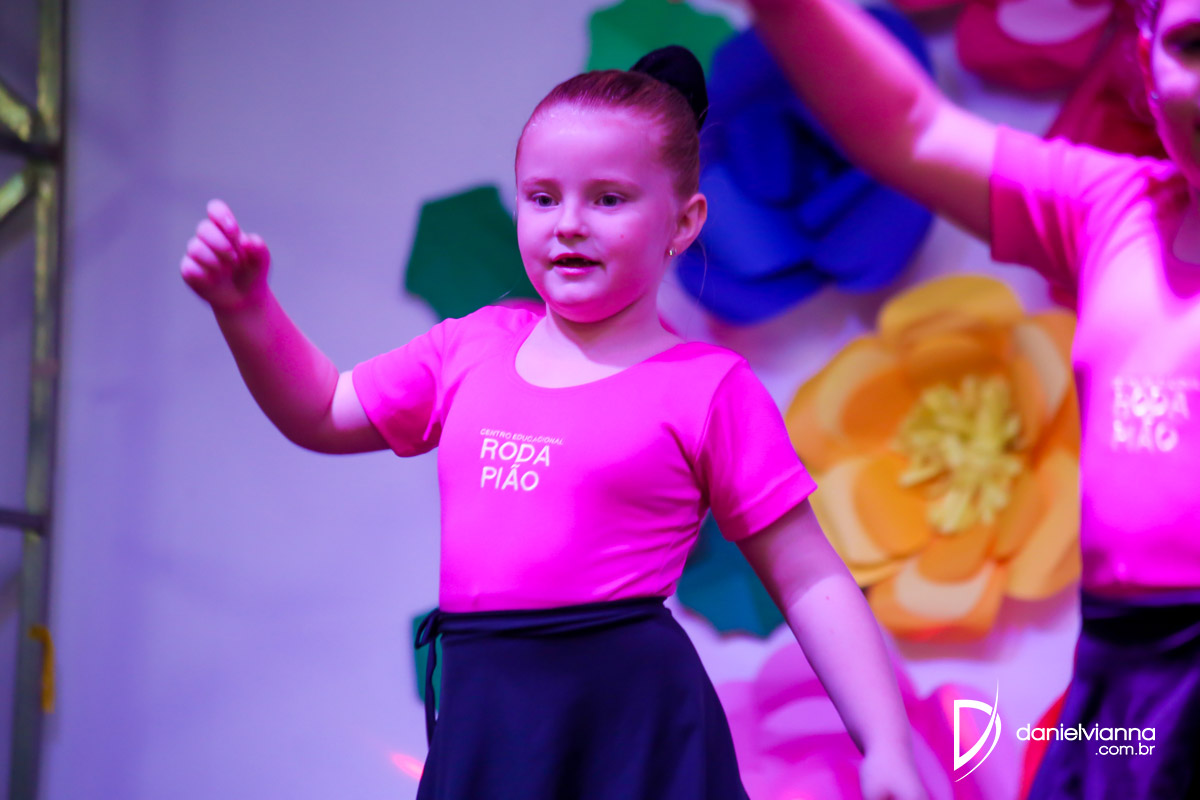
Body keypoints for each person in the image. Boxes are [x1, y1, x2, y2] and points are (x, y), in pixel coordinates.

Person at [180, 46, 925, 800]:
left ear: (684, 220)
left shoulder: (708, 388)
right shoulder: (470, 346)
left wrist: (887, 743)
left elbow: (807, 577)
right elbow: (321, 411)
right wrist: (246, 310)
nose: (569, 224)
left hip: (636, 734)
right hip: (488, 722)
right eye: (542, 198)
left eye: (608, 199)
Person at [733, 0, 1200, 796]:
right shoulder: (1113, 210)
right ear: (1149, 68)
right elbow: (911, 128)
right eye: (1194, 44)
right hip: (1123, 677)